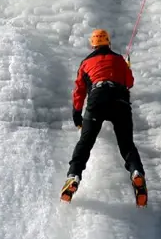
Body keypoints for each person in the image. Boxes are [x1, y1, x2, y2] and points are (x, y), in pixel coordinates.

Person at [60, 28, 147, 207]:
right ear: (108, 43)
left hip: (97, 100)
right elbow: (129, 82)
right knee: (126, 144)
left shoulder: (85, 63)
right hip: (120, 100)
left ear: (93, 45)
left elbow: (79, 90)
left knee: (85, 143)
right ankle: (137, 172)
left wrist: (77, 115)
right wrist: (127, 67)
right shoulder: (119, 60)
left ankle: (73, 176)